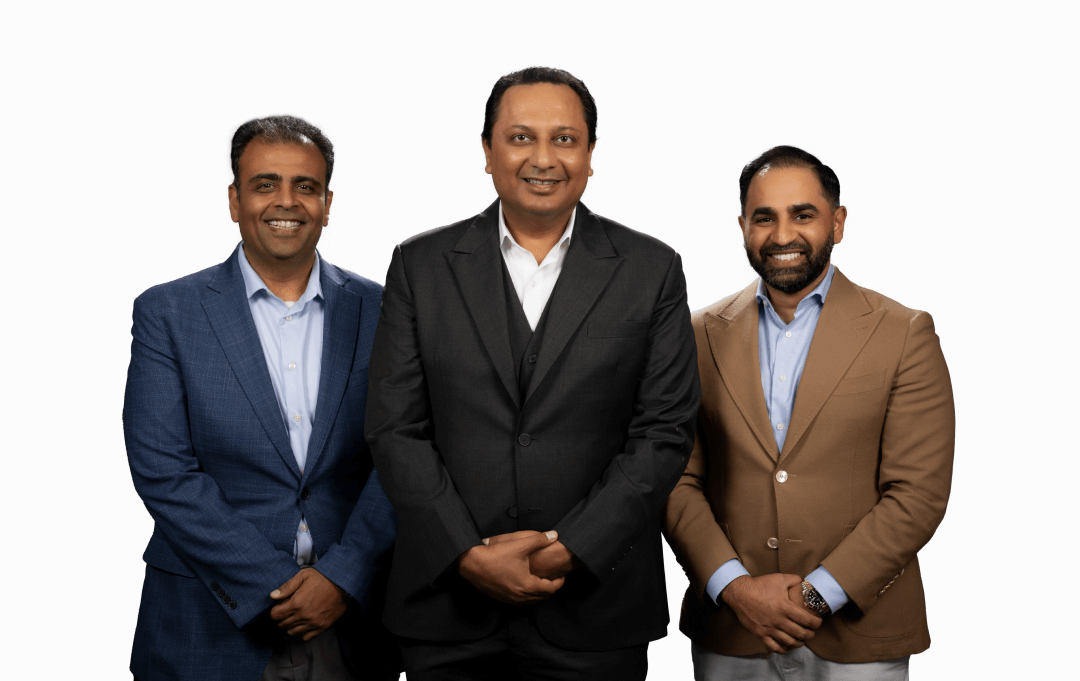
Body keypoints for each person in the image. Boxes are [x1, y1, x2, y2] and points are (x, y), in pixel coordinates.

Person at [364, 67, 700, 680]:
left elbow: (664, 432)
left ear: (591, 154)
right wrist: (467, 554)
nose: (543, 158)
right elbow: (394, 429)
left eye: (564, 139)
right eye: (521, 137)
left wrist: (569, 550)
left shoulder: (651, 269)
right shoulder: (420, 265)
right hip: (448, 611)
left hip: (596, 612)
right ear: (487, 151)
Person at [124, 116, 400, 681]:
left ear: (327, 203)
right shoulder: (168, 313)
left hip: (351, 623)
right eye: (265, 184)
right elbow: (163, 470)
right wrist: (270, 584)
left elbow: (404, 454)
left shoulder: (384, 310)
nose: (286, 201)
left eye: (306, 186)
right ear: (235, 200)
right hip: (205, 623)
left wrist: (342, 577)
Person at [664, 145, 955, 679]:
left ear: (837, 223)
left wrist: (816, 596)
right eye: (763, 218)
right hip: (732, 630)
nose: (782, 235)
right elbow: (674, 478)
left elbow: (918, 494)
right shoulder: (695, 334)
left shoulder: (904, 333)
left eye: (803, 215)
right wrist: (736, 588)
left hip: (860, 637)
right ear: (742, 227)